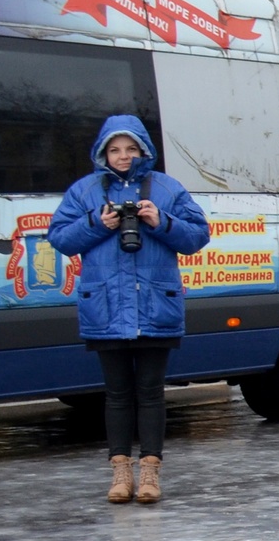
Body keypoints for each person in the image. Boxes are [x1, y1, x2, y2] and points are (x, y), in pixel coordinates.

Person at [47, 116, 211, 504]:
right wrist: (96, 222)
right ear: (104, 152)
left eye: (130, 149)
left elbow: (197, 236)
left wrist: (160, 220)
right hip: (106, 308)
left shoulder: (168, 189)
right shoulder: (85, 191)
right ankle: (121, 475)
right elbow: (60, 238)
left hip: (156, 305)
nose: (123, 157)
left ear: (143, 151)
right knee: (117, 394)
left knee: (151, 393)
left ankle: (150, 475)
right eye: (115, 150)